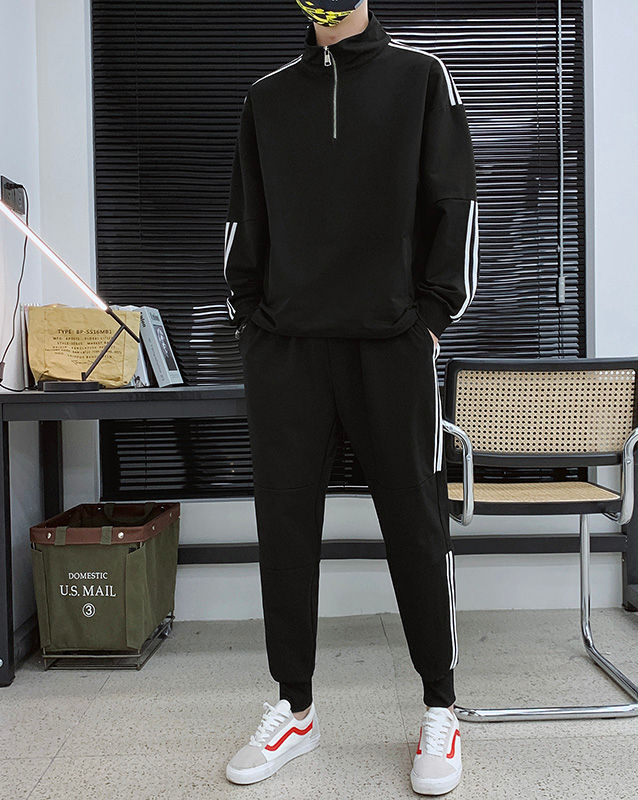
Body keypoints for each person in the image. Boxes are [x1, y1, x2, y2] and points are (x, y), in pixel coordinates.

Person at [223, 1, 478, 794]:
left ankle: (441, 708)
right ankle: (294, 708)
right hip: (287, 348)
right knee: (285, 527)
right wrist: (250, 320)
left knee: (415, 523)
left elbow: (456, 203)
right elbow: (243, 217)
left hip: (390, 344)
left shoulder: (421, 78)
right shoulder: (268, 96)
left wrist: (429, 321)